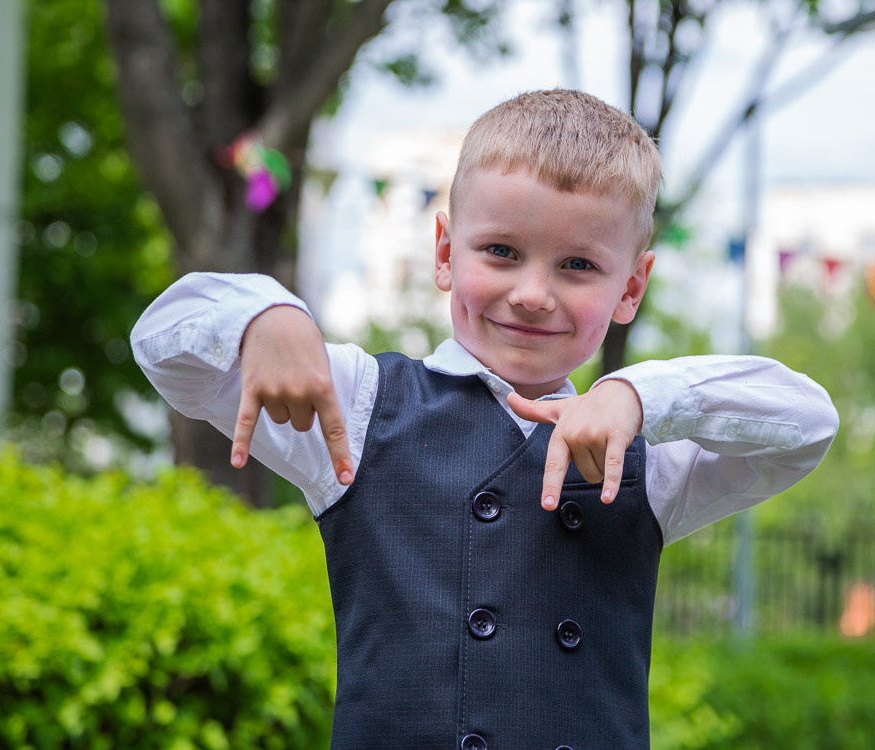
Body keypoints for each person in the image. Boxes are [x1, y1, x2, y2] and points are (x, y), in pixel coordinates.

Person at [132, 89, 838, 749]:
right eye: (501, 251)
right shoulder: (360, 404)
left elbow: (808, 423)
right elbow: (164, 341)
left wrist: (640, 394)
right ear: (444, 251)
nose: (532, 293)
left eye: (578, 265)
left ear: (631, 287)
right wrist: (265, 312)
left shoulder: (645, 457)